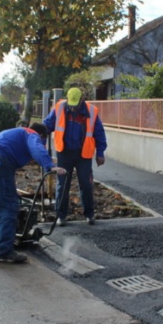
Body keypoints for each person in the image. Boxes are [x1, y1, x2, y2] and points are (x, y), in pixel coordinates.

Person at [0, 123, 66, 263]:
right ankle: (4, 251)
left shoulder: (13, 132)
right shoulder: (31, 134)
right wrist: (50, 166)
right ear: (41, 135)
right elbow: (36, 148)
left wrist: (11, 190)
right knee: (8, 208)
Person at [43, 87, 107, 226]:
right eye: (71, 105)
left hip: (83, 154)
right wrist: (40, 142)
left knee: (86, 184)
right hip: (64, 153)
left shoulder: (91, 111)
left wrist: (100, 153)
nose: (73, 109)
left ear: (82, 100)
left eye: (75, 105)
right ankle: (61, 216)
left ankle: (89, 214)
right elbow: (46, 125)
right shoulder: (59, 108)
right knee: (62, 185)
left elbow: (99, 133)